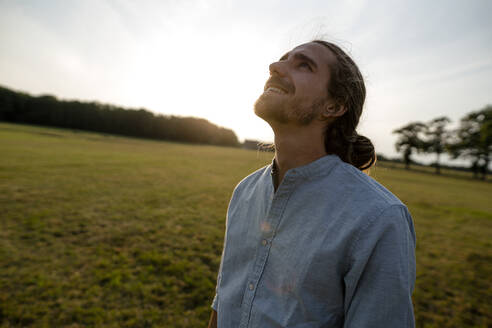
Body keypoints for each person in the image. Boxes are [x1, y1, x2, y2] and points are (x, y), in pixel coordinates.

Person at [208, 40, 416, 328]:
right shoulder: (244, 191)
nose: (275, 67)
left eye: (303, 64)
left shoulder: (380, 218)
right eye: (282, 59)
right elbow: (225, 299)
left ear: (334, 106)